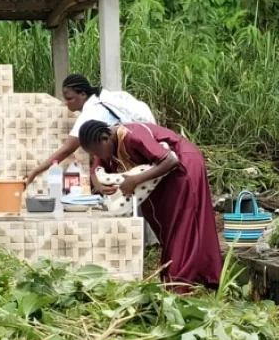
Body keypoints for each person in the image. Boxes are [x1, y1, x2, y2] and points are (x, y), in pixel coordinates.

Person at [77, 120, 222, 292]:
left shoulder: (133, 136)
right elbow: (96, 168)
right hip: (161, 176)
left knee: (184, 223)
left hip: (185, 166)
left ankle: (180, 282)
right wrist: (99, 185)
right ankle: (183, 274)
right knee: (165, 223)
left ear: (105, 138)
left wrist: (135, 180)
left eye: (98, 152)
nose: (99, 157)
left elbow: (170, 160)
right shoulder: (104, 142)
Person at [24, 74, 155, 186]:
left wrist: (35, 172)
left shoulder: (91, 113)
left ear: (83, 94)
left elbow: (67, 149)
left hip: (133, 155)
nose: (66, 103)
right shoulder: (107, 98)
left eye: (69, 98)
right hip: (146, 145)